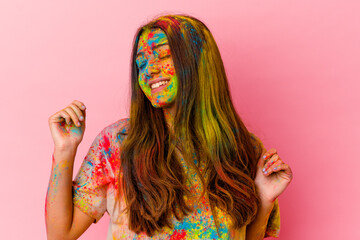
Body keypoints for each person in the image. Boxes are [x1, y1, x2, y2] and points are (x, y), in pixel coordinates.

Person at [46, 14, 293, 239]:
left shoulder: (244, 148)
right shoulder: (117, 144)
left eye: (163, 56)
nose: (149, 70)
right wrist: (64, 151)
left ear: (199, 62)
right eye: (141, 63)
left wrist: (264, 199)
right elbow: (60, 235)